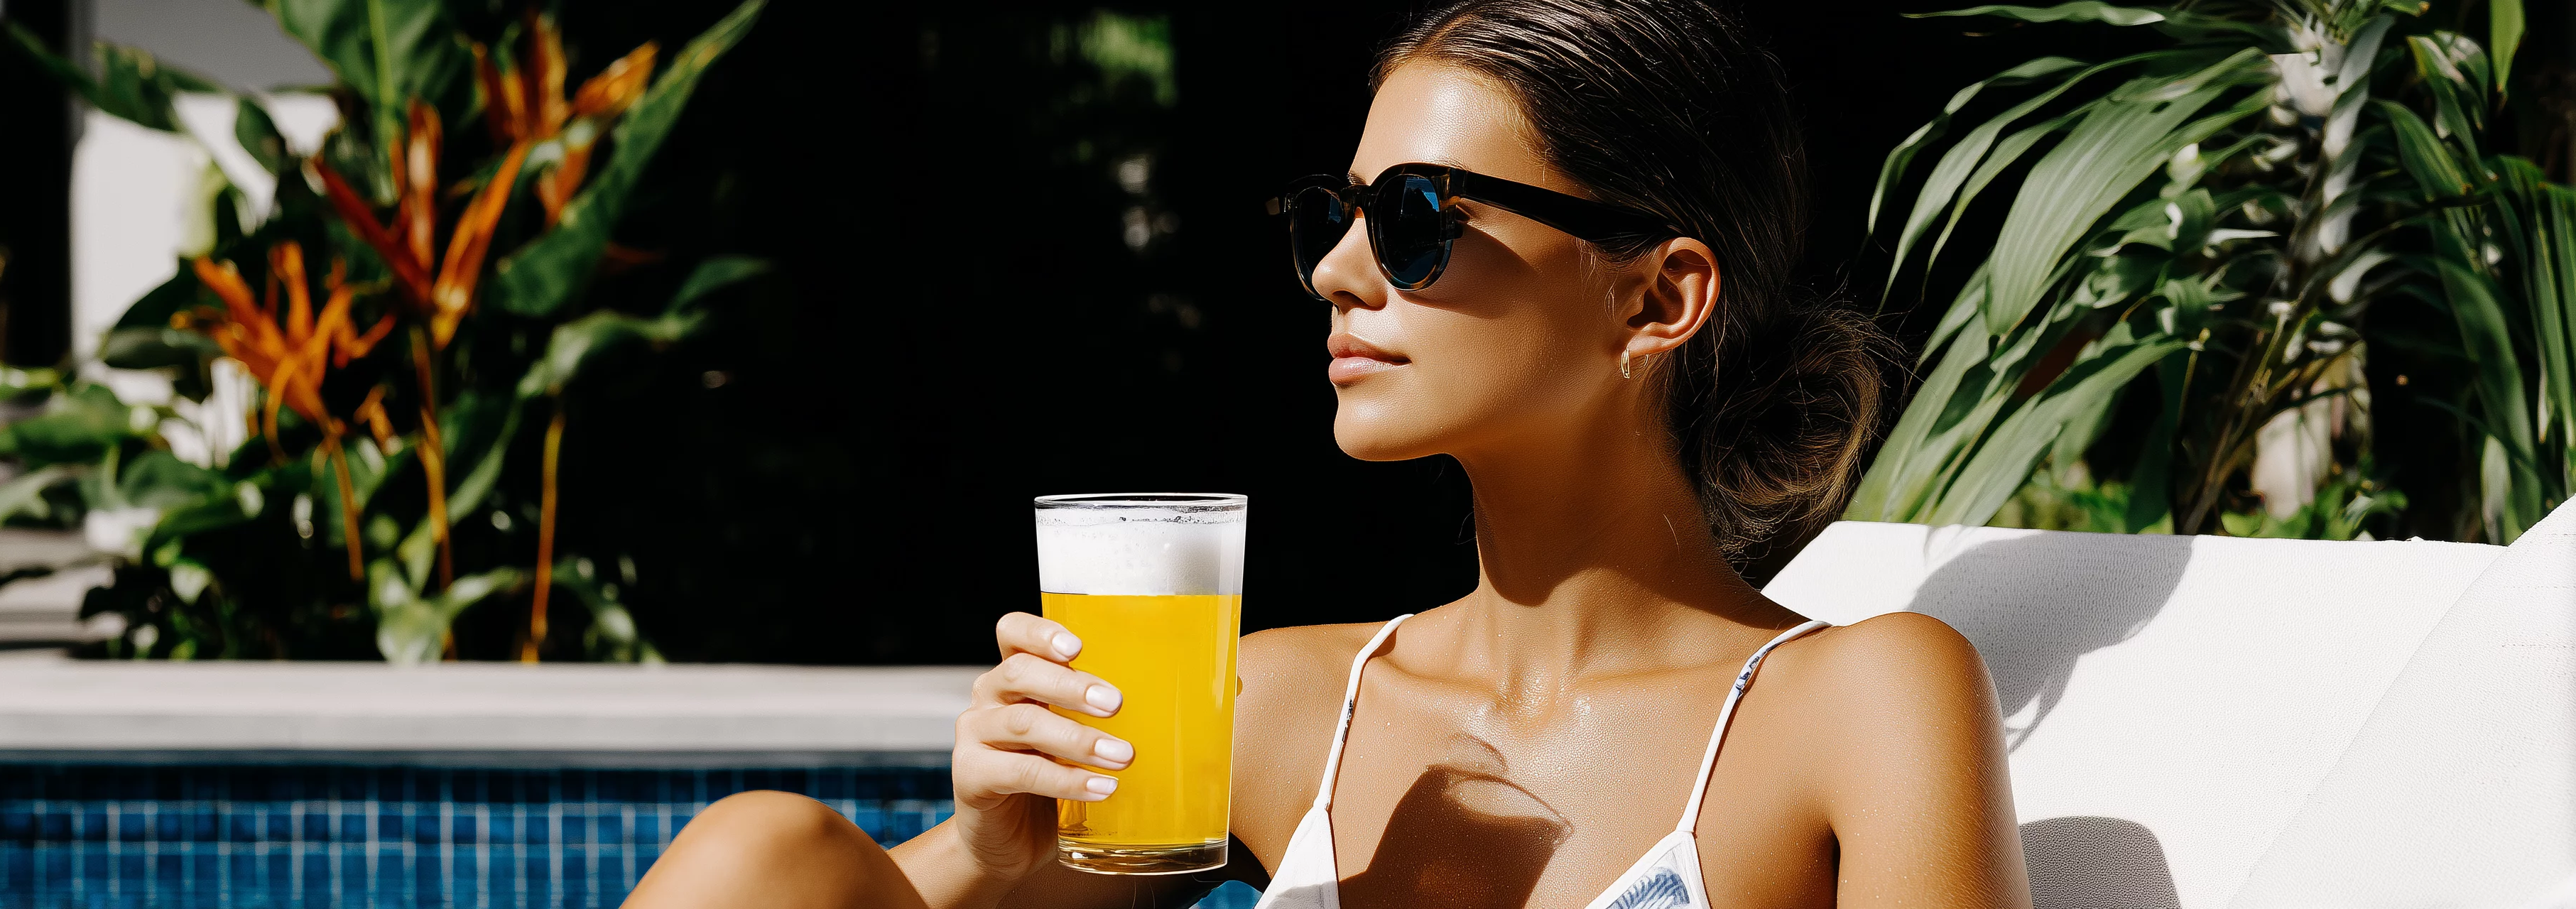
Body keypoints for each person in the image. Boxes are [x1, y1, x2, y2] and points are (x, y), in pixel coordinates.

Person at [621, 0, 2030, 905]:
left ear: (1653, 297)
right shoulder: (1276, 707)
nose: (1338, 274)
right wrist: (992, 858)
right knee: (757, 855)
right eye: (1332, 217)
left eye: (1416, 217)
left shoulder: (1858, 702)